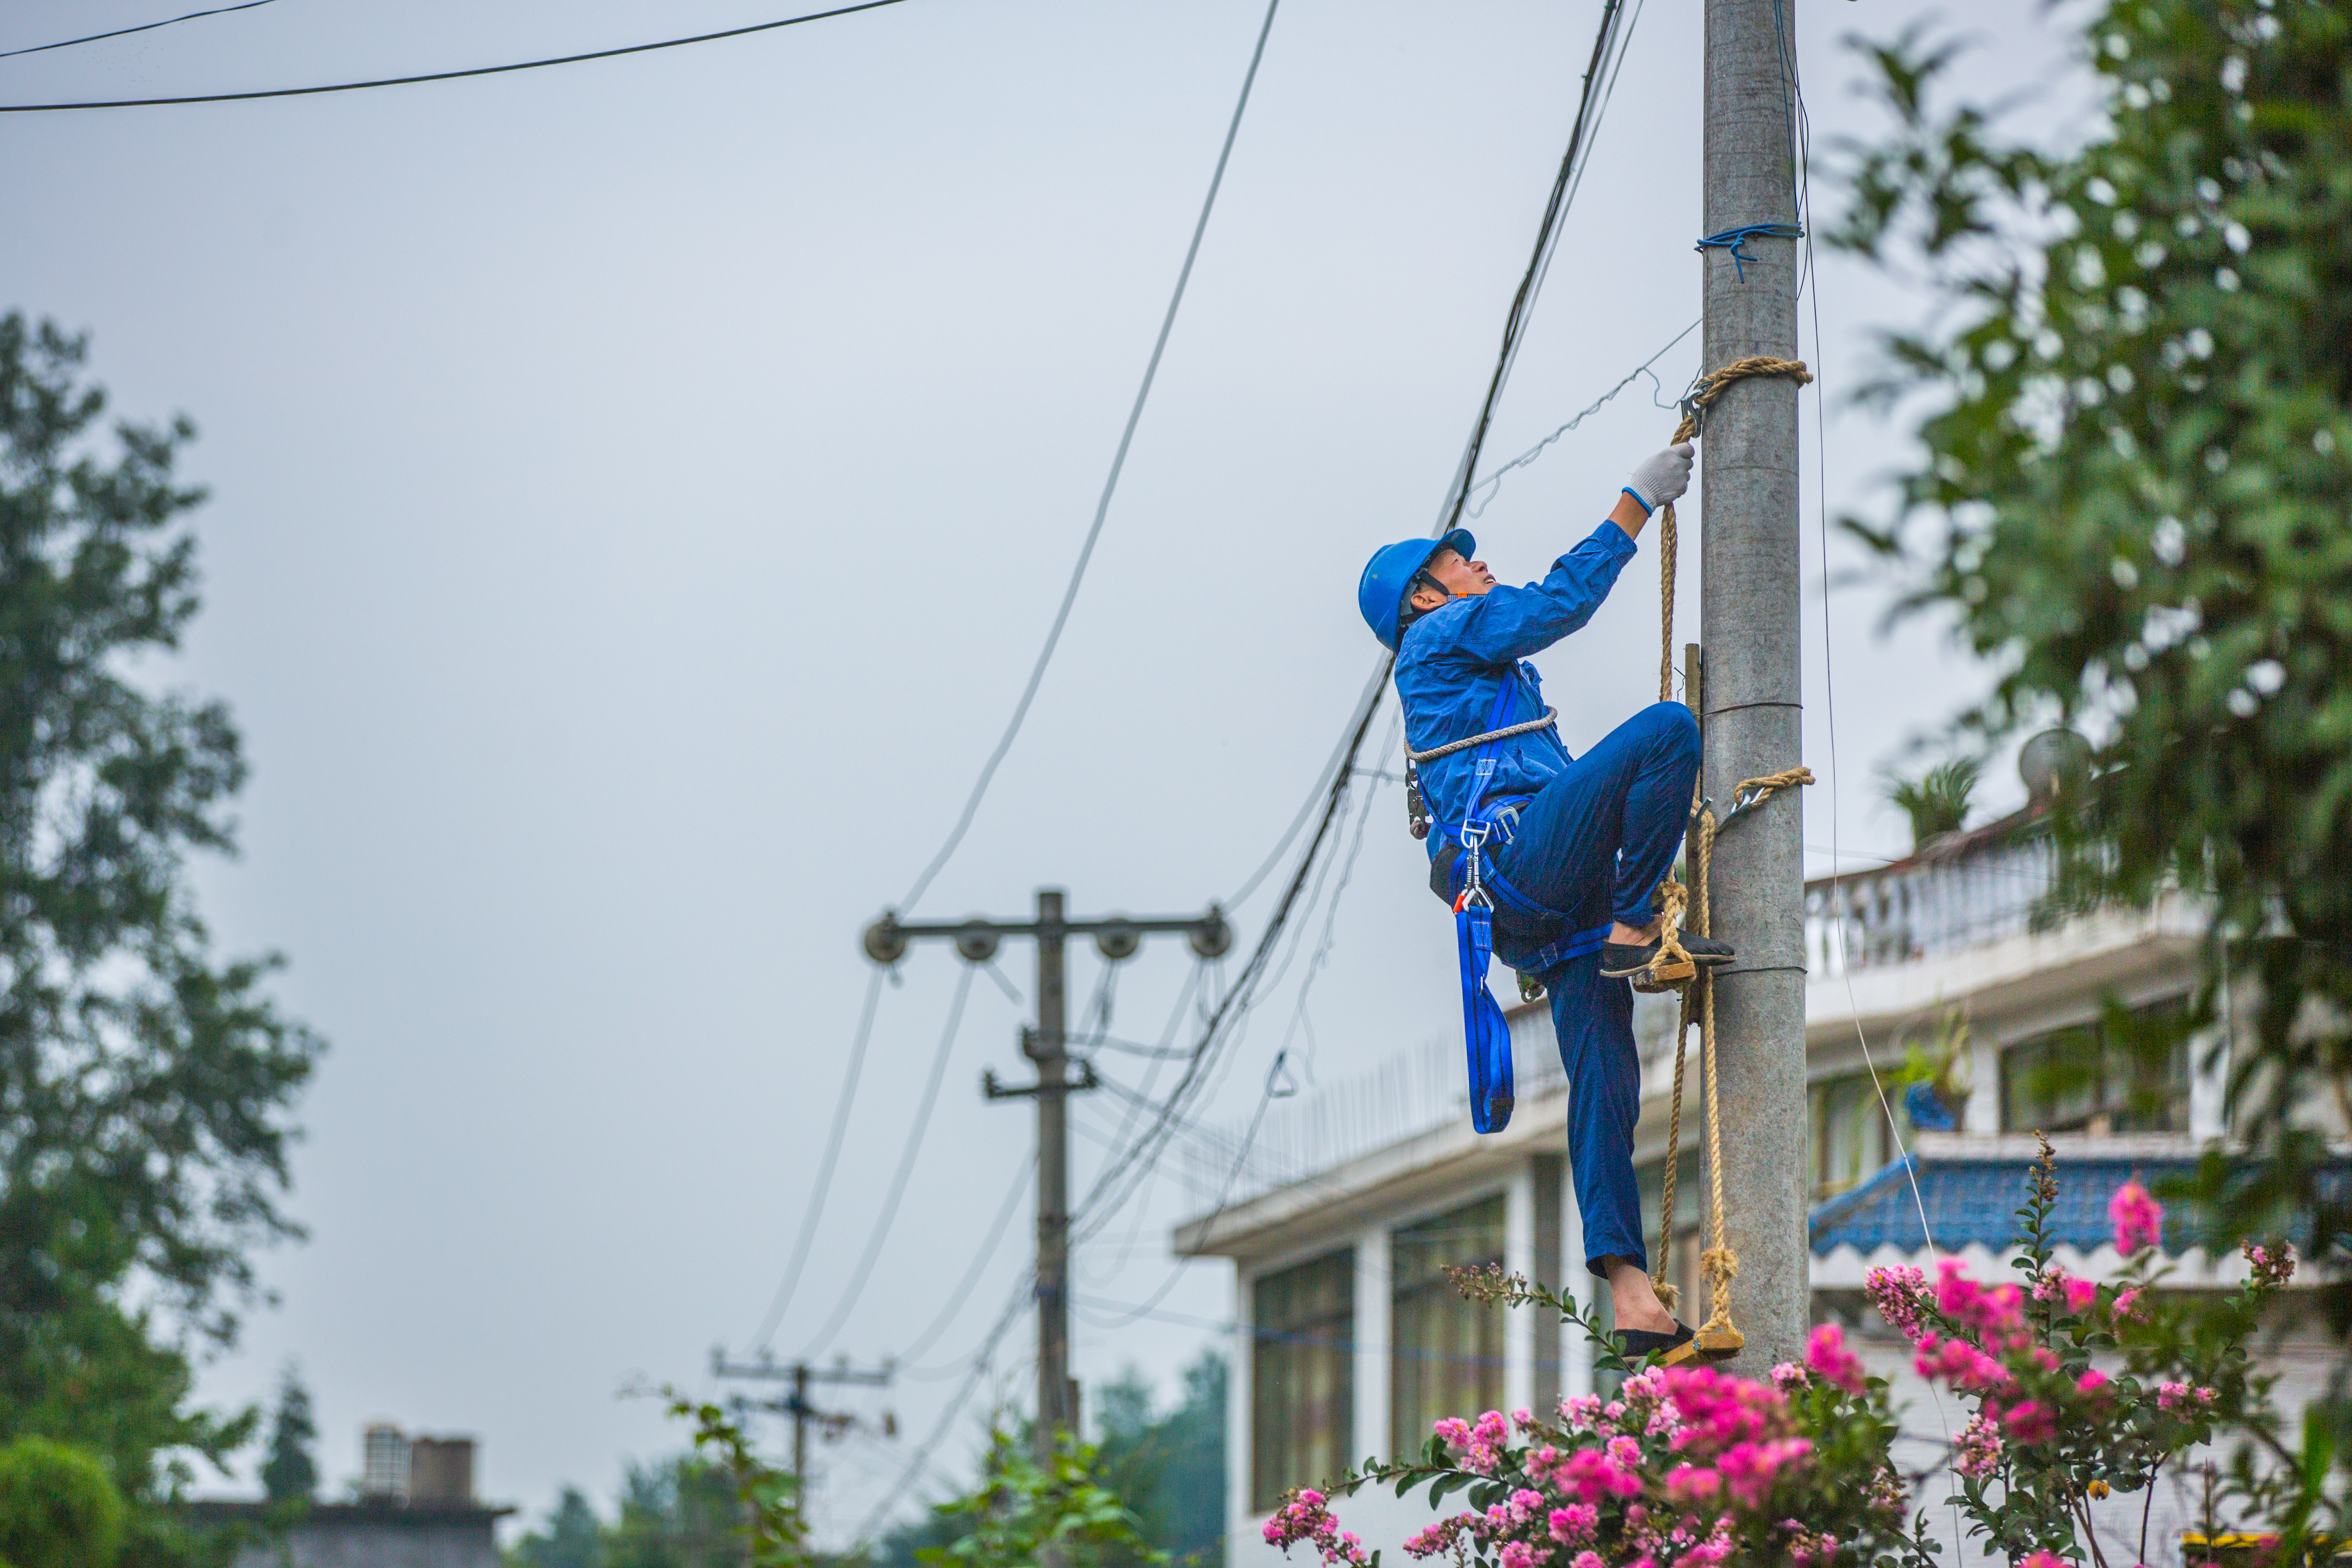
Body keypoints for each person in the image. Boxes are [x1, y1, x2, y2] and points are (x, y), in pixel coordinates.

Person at [1354, 443, 1732, 1364]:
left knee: (1602, 1084)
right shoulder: (1443, 639)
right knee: (1668, 730)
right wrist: (1636, 505)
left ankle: (1633, 1293)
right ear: (1427, 598)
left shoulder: (1483, 678)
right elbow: (1560, 601)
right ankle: (1634, 923)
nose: (1480, 564)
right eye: (1460, 561)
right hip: (1525, 861)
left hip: (1529, 903)